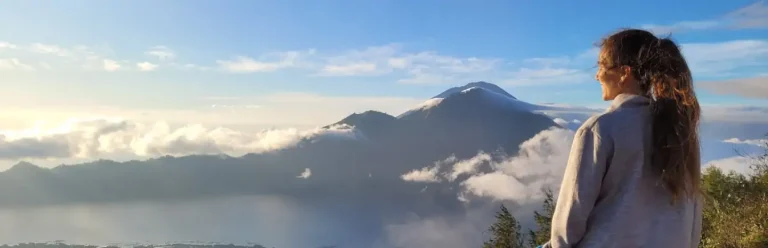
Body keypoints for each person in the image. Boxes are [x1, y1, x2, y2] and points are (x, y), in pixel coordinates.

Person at [540, 28, 703, 248]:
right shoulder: (681, 132)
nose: (597, 75)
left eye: (601, 66)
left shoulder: (600, 129)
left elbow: (569, 224)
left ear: (625, 72)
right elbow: (692, 217)